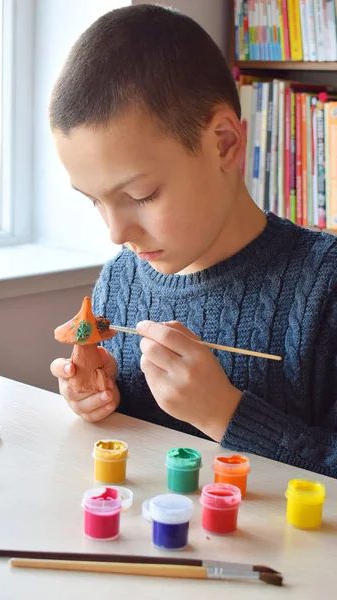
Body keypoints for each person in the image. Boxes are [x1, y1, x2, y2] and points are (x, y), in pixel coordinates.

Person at [49, 4, 337, 478]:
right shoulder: (119, 283)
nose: (115, 233)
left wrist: (225, 415)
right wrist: (100, 400)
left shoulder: (323, 287)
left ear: (224, 144)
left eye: (141, 195)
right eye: (94, 201)